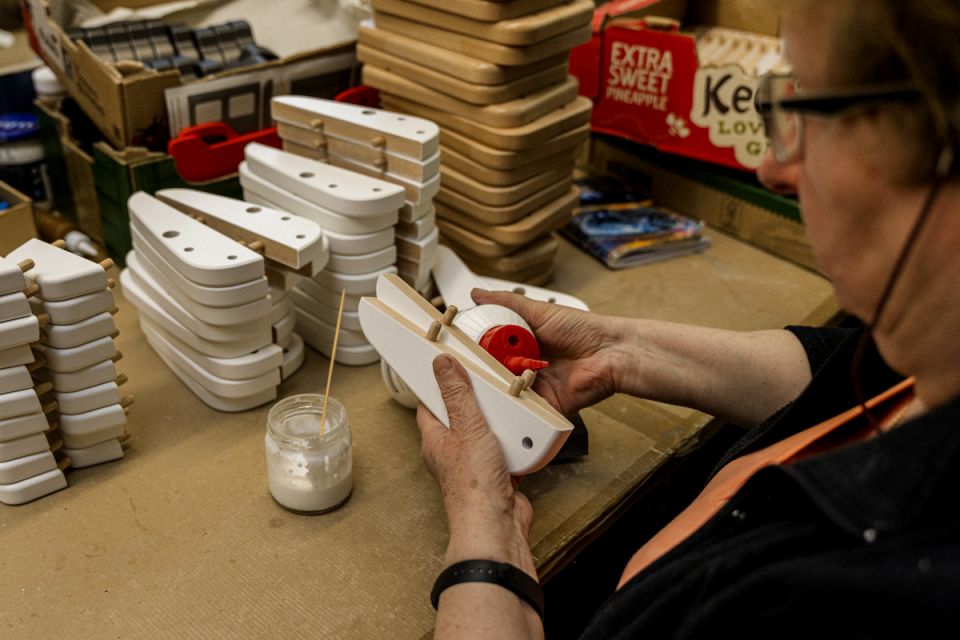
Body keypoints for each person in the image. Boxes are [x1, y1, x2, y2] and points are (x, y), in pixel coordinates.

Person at [415, 1, 960, 637]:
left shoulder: (867, 596)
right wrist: (619, 351)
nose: (772, 170)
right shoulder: (934, 358)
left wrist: (485, 524)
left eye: (807, 112)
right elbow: (839, 372)